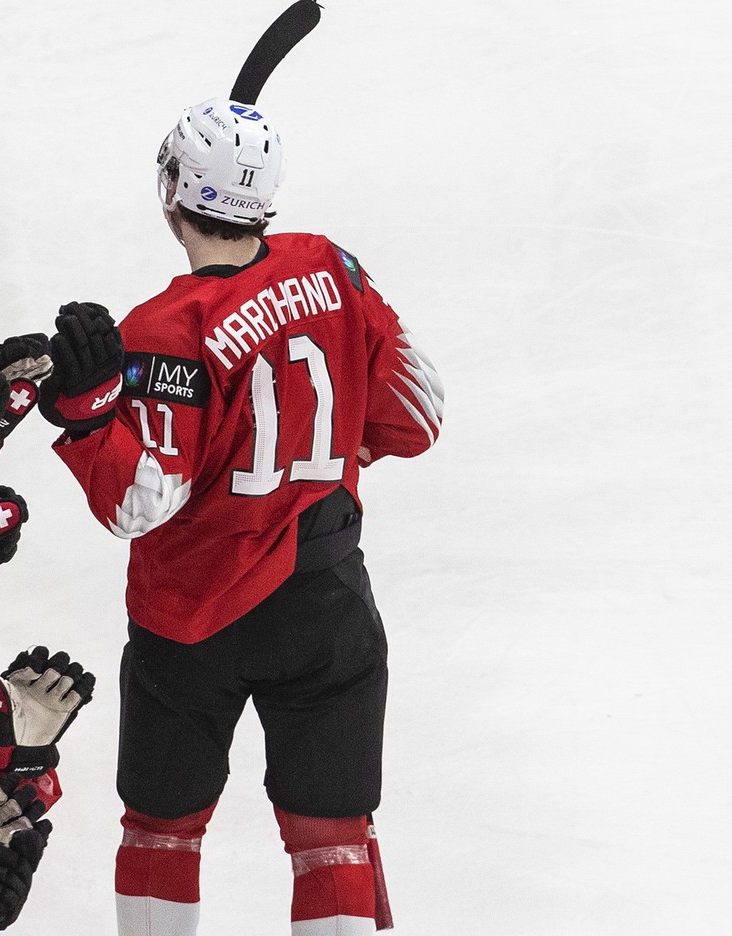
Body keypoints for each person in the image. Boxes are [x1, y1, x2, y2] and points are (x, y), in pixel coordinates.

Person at [38, 97, 445, 935]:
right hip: (324, 599)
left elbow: (143, 504)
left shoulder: (160, 330)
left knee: (161, 828)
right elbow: (419, 414)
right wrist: (323, 451)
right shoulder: (334, 268)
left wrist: (86, 417)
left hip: (191, 624)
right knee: (333, 836)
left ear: (174, 192)